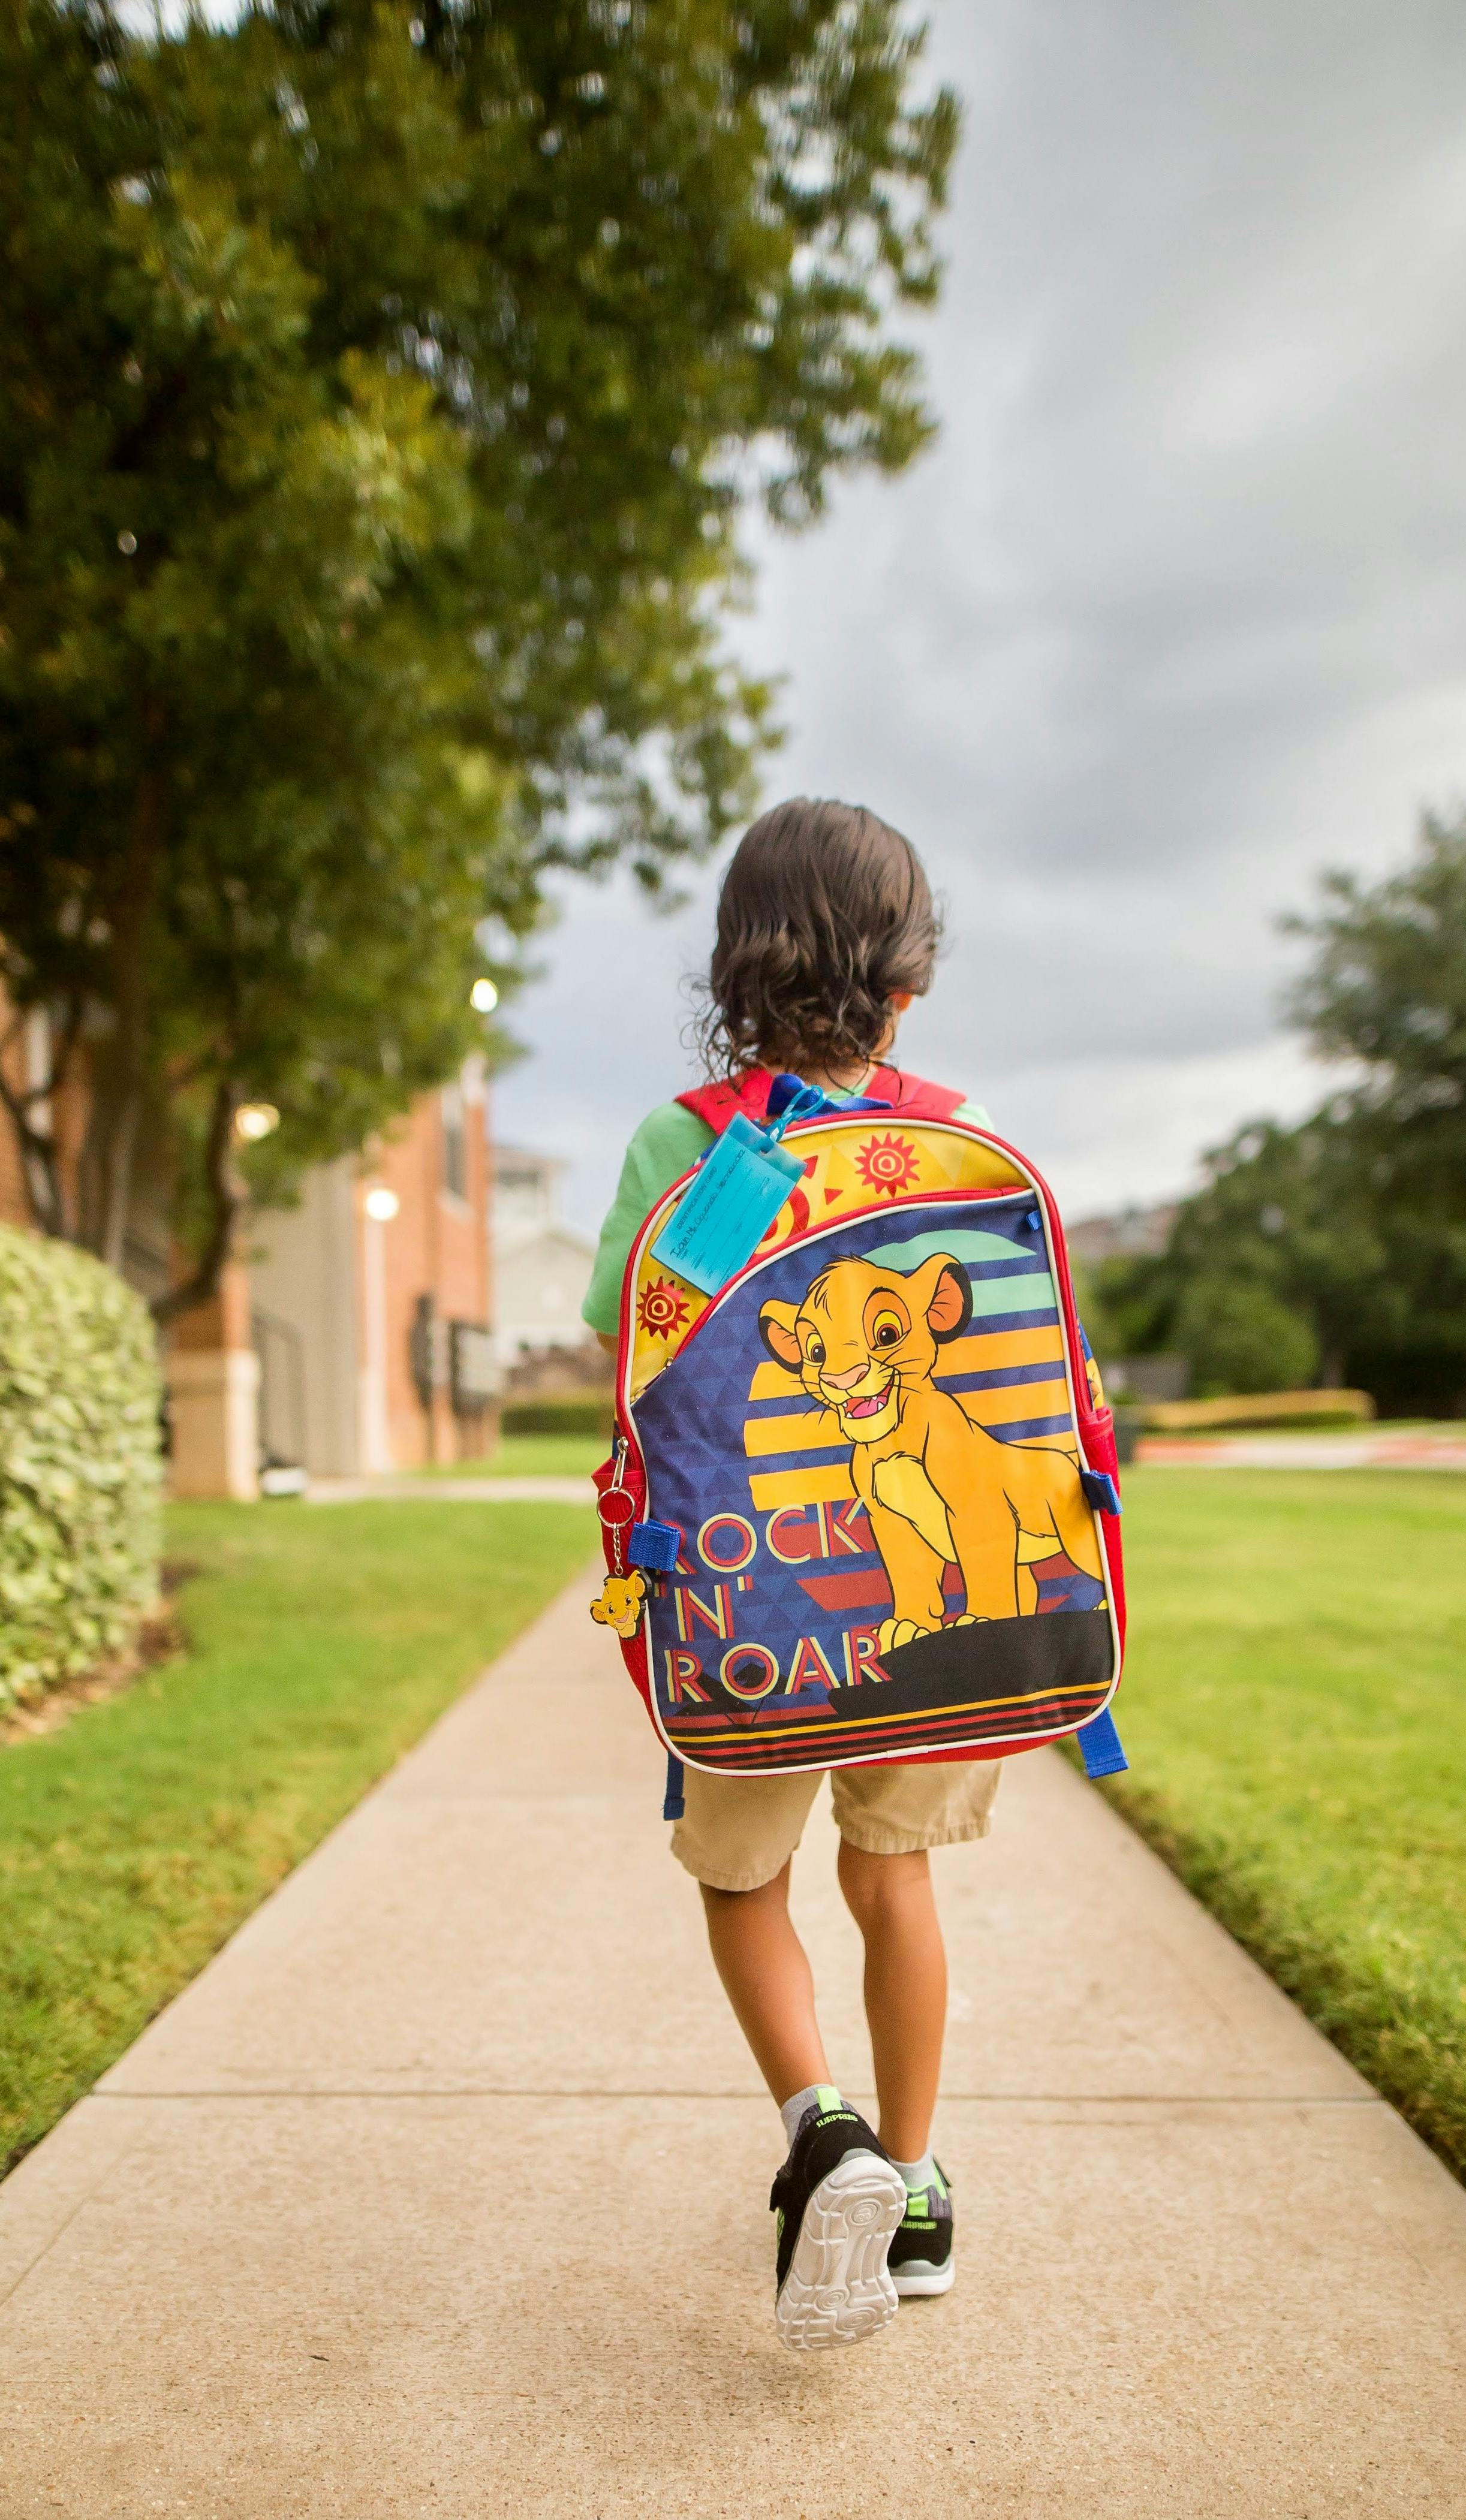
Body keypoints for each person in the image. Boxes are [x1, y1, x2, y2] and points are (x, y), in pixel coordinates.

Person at [583, 796, 997, 2350]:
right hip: (913, 1598)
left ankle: (815, 2125)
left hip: (741, 1601)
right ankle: (918, 2171)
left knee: (743, 1875)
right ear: (911, 983)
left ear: (733, 971)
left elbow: (618, 1345)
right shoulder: (949, 1140)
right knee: (896, 1881)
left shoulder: (682, 1140)